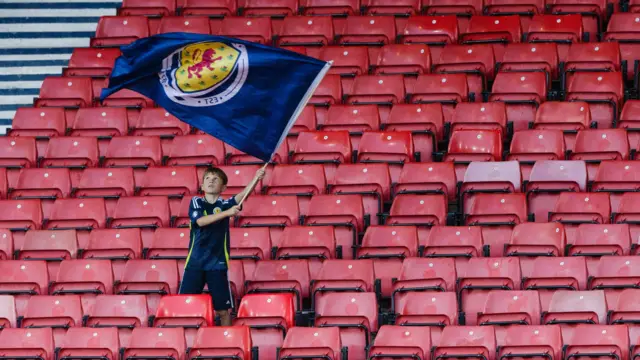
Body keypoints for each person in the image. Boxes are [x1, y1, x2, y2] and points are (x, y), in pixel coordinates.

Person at [179, 165, 265, 326]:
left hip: (217, 264)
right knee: (185, 306)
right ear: (202, 185)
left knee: (223, 311)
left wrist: (256, 178)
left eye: (215, 179)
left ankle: (227, 343)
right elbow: (200, 221)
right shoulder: (196, 202)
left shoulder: (225, 204)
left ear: (223, 187)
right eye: (207, 178)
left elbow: (242, 196)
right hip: (195, 263)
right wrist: (227, 213)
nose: (211, 181)